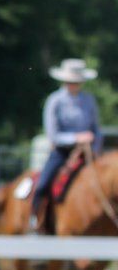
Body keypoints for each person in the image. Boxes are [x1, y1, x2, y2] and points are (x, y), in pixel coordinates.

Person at [31, 57, 102, 228]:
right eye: (71, 81)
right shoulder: (54, 101)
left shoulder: (89, 100)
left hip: (87, 153)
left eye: (77, 82)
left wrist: (95, 148)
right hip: (62, 153)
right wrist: (77, 138)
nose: (74, 85)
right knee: (43, 184)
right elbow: (53, 135)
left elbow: (97, 129)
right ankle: (34, 219)